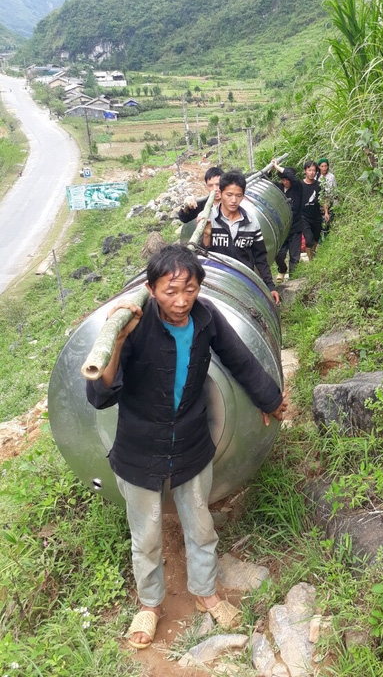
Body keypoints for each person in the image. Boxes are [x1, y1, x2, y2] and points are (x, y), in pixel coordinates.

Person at [86, 245, 285, 650]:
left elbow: (240, 359)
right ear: (151, 288)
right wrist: (119, 340)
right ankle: (150, 603)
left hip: (192, 442)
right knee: (145, 535)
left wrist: (271, 398)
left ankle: (205, 591)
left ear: (199, 288)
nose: (181, 301)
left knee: (200, 525)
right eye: (170, 291)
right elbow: (99, 397)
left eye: (189, 289)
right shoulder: (134, 327)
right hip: (139, 449)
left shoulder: (207, 317)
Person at [202, 170, 280, 305]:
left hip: (243, 282)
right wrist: (207, 234)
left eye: (238, 195)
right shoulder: (209, 218)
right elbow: (201, 255)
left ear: (243, 196)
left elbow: (260, 257)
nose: (233, 200)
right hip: (216, 283)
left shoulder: (251, 222)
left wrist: (270, 286)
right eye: (229, 195)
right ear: (220, 193)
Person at [271, 160, 303, 283]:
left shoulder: (298, 188)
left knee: (294, 256)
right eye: (283, 180)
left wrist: (277, 167)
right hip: (282, 229)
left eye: (287, 179)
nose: (286, 182)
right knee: (278, 254)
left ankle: (293, 279)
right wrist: (270, 169)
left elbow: (292, 177)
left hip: (295, 227)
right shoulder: (278, 188)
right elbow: (264, 180)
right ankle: (282, 269)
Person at [301, 160, 327, 262]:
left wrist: (325, 212)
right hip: (304, 216)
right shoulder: (300, 185)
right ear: (305, 171)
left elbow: (323, 199)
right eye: (309, 170)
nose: (311, 172)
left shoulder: (319, 185)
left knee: (315, 239)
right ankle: (311, 259)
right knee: (309, 239)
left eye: (314, 170)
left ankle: (312, 255)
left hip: (316, 216)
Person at [316, 158, 338, 238]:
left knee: (328, 220)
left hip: (330, 201)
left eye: (326, 166)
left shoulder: (331, 177)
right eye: (322, 166)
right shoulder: (316, 177)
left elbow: (335, 190)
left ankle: (327, 236)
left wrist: (336, 204)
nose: (324, 168)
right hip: (320, 202)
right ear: (319, 167)